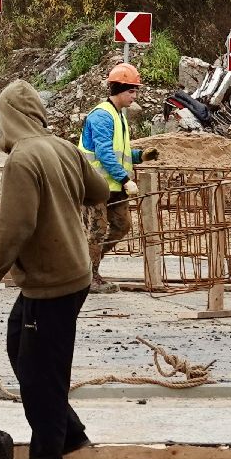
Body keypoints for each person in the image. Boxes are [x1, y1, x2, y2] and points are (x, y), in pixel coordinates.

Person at [0, 80, 111, 459]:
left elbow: (18, 227)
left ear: (8, 118)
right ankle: (69, 433)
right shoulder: (63, 147)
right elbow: (99, 190)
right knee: (20, 347)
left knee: (42, 377)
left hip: (52, 282)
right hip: (71, 276)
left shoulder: (23, 159)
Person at [78, 63, 154, 293]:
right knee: (97, 229)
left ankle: (86, 267)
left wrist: (139, 156)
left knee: (121, 225)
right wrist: (124, 179)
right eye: (131, 91)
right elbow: (103, 153)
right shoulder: (102, 116)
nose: (135, 95)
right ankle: (89, 276)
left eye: (135, 90)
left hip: (112, 185)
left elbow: (118, 151)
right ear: (118, 90)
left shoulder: (118, 115)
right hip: (94, 184)